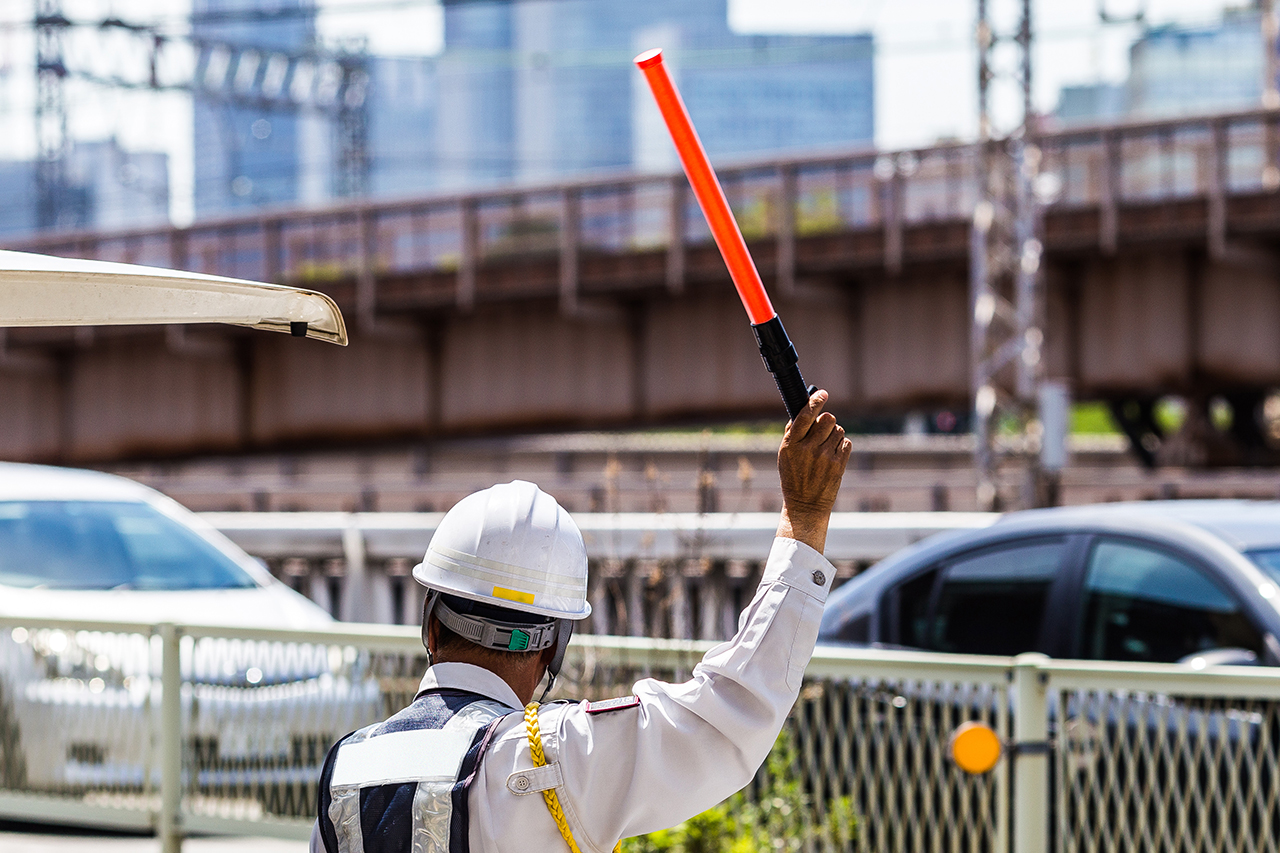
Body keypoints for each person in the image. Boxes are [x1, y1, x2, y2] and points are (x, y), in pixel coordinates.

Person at [312, 390, 851, 853]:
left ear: (430, 623)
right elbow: (731, 717)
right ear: (552, 649)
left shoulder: (344, 773)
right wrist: (803, 520)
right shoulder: (556, 756)